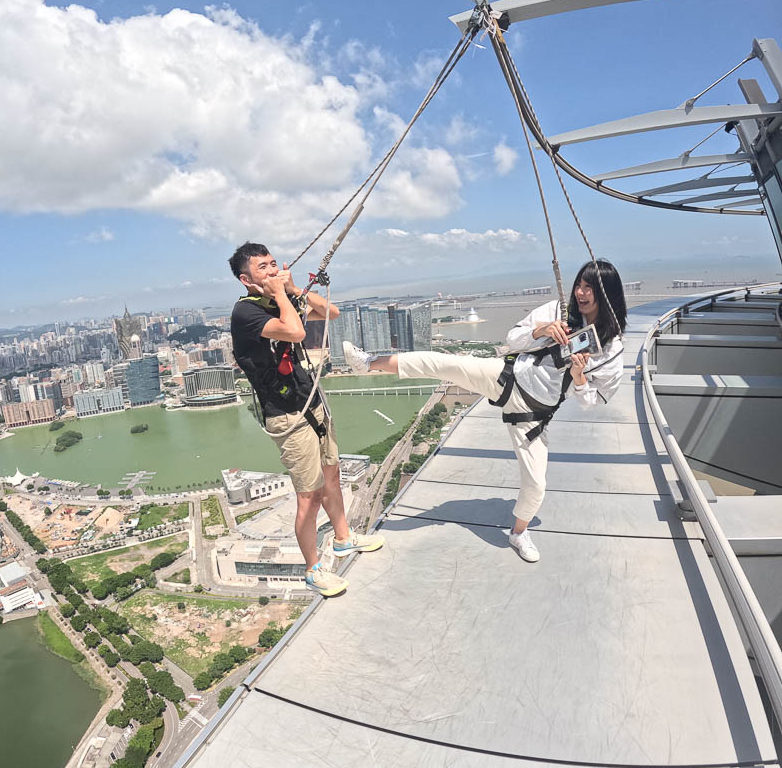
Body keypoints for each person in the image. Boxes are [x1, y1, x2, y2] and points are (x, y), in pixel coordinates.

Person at [344, 259, 627, 563]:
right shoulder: (559, 311)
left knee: (536, 484)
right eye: (580, 285)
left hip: (533, 415)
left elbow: (590, 402)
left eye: (590, 288)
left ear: (606, 293)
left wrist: (580, 376)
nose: (582, 293)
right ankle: (369, 362)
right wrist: (541, 330)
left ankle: (518, 532)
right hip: (507, 378)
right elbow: (512, 338)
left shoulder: (612, 350)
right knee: (444, 364)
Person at [229, 241, 384, 597]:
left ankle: (343, 538)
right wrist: (282, 295)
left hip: (310, 400)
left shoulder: (279, 300)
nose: (271, 270)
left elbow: (332, 313)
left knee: (332, 473)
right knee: (309, 495)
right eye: (262, 268)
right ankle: (313, 570)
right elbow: (297, 332)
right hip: (286, 414)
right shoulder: (246, 313)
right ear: (245, 279)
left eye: (272, 264)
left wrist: (295, 290)